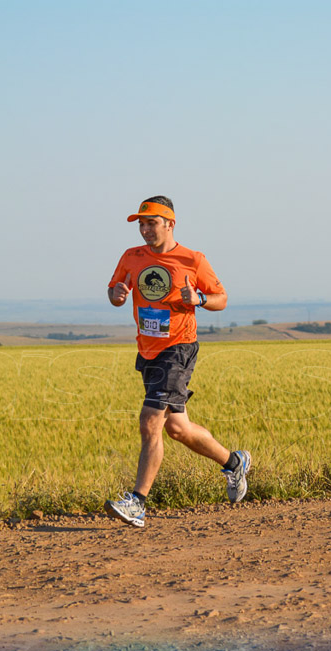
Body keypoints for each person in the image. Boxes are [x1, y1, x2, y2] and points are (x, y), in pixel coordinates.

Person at [104, 195, 250, 528]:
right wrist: (116, 296)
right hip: (148, 350)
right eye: (140, 224)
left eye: (151, 223)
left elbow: (221, 299)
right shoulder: (131, 257)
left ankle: (137, 503)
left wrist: (198, 298)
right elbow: (114, 290)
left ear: (170, 223)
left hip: (178, 347)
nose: (144, 230)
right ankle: (233, 462)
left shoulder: (192, 260)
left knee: (150, 421)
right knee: (177, 428)